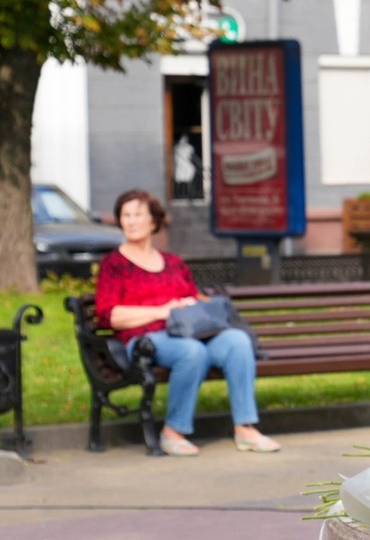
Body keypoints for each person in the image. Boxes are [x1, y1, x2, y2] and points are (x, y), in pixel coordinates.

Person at [93, 190, 280, 456]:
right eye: (126, 215)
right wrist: (161, 311)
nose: (131, 221)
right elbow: (109, 316)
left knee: (237, 341)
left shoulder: (173, 262)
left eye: (138, 215)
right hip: (145, 339)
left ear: (153, 221)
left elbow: (192, 296)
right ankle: (173, 432)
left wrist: (191, 303)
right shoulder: (114, 264)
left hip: (188, 331)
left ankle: (245, 428)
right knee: (192, 352)